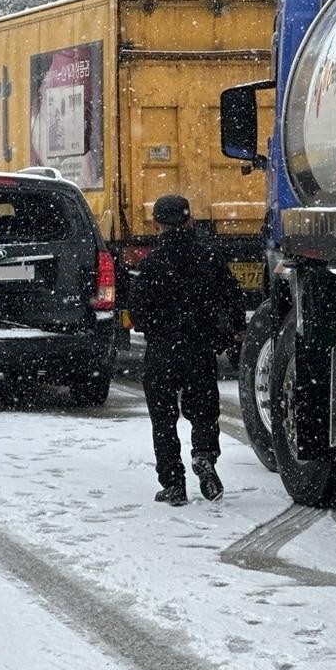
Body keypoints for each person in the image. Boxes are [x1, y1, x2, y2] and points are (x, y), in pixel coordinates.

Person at [129, 194, 245, 505]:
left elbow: (138, 315)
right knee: (204, 412)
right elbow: (234, 300)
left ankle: (174, 482)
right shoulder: (210, 259)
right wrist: (228, 333)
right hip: (199, 349)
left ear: (156, 225)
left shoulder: (149, 265)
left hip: (162, 353)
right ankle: (204, 454)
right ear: (189, 220)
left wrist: (157, 328)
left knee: (164, 420)